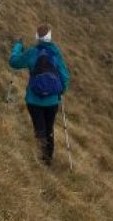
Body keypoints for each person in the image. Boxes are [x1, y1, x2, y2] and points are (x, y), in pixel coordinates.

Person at [9, 24, 70, 166]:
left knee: (39, 127)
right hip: (52, 101)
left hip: (34, 99)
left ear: (37, 37)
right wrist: (61, 91)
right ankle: (47, 158)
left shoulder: (32, 52)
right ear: (50, 37)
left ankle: (41, 154)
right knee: (49, 128)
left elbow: (14, 62)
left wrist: (18, 47)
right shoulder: (56, 54)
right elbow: (65, 76)